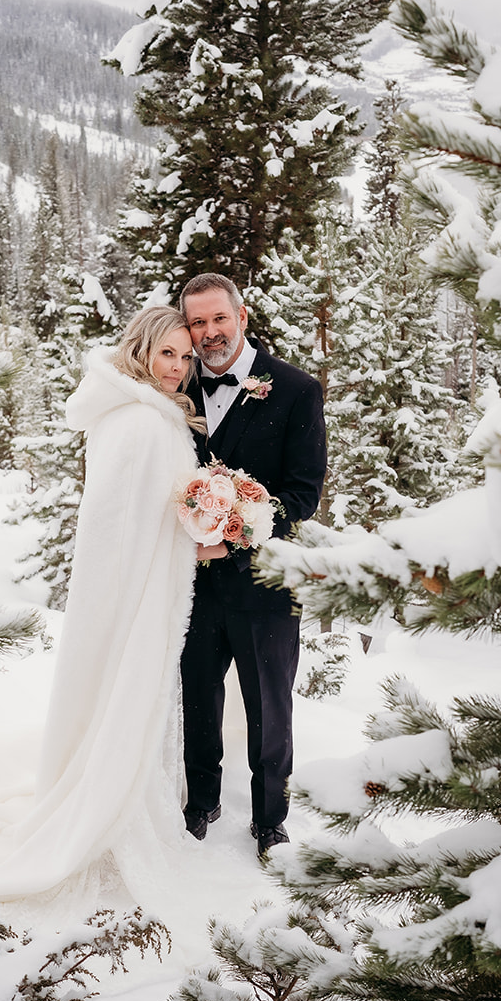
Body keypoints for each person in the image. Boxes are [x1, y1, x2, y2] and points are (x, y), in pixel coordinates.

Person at [0, 305, 209, 905]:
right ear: (142, 351)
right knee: (124, 695)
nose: (178, 368)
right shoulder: (139, 421)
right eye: (167, 354)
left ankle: (135, 794)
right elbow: (112, 523)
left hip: (152, 586)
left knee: (137, 698)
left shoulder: (149, 414)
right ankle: (108, 812)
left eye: (185, 357)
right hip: (134, 592)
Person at [179, 273, 326, 857]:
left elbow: (303, 492)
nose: (209, 332)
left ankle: (270, 817)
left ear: (242, 317)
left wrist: (234, 531)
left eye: (219, 318)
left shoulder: (293, 388)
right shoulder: (177, 386)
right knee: (197, 697)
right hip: (190, 584)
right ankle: (200, 801)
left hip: (264, 582)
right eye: (197, 322)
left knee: (269, 704)